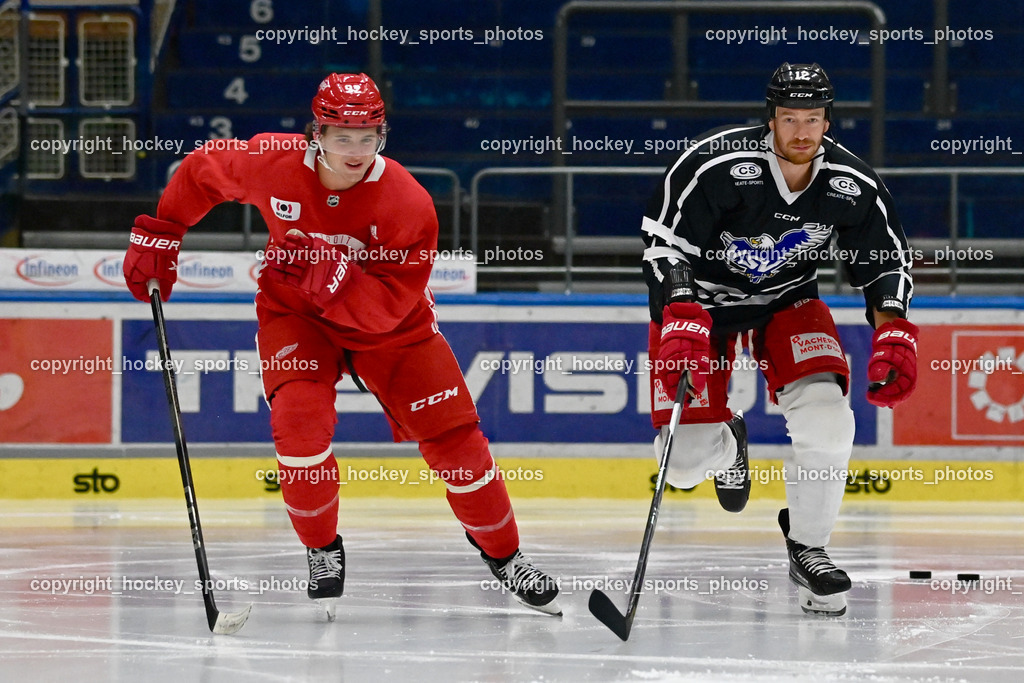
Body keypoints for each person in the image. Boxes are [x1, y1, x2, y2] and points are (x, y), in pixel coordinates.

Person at [122, 72, 561, 618]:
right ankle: (322, 548)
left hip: (393, 330)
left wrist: (337, 280)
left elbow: (391, 307)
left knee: (459, 446)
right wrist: (162, 232)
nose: (355, 151)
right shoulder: (273, 161)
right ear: (317, 134)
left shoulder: (409, 202)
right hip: (296, 316)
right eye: (342, 137)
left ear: (383, 136)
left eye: (367, 137)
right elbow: (202, 170)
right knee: (298, 428)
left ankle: (506, 555)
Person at [641, 63, 918, 616]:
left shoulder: (851, 182)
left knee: (830, 421)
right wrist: (680, 310)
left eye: (812, 119)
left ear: (827, 121)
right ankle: (729, 441)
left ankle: (809, 548)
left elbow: (885, 260)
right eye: (789, 118)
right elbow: (662, 242)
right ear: (771, 118)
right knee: (684, 465)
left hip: (787, 303)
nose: (801, 131)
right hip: (700, 309)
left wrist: (893, 327)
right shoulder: (716, 164)